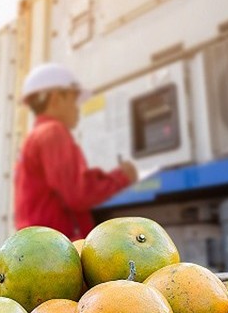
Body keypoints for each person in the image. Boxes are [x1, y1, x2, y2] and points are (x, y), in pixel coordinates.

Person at [14, 63, 138, 240]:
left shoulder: (34, 137)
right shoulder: (53, 132)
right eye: (73, 100)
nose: (77, 108)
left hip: (38, 243)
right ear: (56, 98)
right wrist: (122, 177)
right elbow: (78, 193)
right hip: (58, 246)